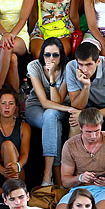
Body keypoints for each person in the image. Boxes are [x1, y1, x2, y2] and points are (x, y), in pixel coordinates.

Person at [56, 107, 105, 209]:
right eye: (88, 132)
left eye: (97, 131)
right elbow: (65, 181)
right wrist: (80, 178)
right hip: (79, 189)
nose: (93, 136)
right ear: (80, 127)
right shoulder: (70, 145)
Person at [65, 42, 105, 163]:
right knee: (75, 122)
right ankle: (73, 170)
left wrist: (91, 116)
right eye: (81, 64)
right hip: (89, 106)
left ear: (98, 61)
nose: (84, 69)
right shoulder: (71, 67)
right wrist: (86, 86)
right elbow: (76, 105)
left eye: (89, 64)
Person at [24, 39, 73, 187]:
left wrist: (52, 78)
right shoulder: (34, 66)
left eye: (55, 55)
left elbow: (57, 101)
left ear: (61, 56)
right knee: (51, 118)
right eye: (47, 55)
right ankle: (56, 175)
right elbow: (44, 103)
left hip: (58, 107)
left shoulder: (67, 68)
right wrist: (70, 109)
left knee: (51, 116)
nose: (51, 59)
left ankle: (47, 175)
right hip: (36, 106)